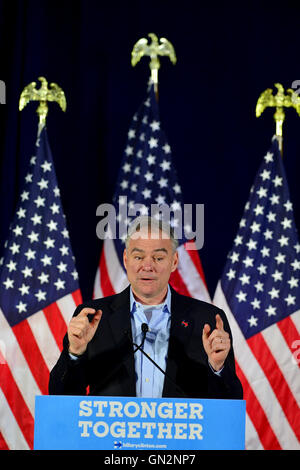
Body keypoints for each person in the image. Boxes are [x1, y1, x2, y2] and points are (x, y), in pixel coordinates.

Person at [49, 216, 243, 399]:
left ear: (174, 261)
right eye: (138, 257)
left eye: (158, 258)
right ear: (126, 259)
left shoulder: (207, 319)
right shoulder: (92, 317)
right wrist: (74, 353)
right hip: (114, 433)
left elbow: (230, 404)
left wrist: (217, 368)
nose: (147, 266)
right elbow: (61, 397)